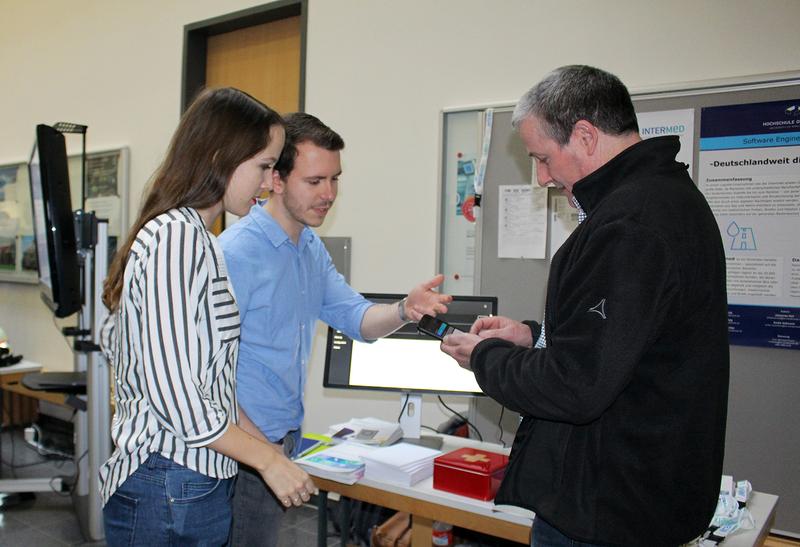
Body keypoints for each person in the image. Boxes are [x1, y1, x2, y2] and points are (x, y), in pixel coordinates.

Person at [441, 65, 729, 547]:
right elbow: (627, 343)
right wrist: (533, 336)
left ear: (585, 135)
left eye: (543, 158)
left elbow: (576, 386)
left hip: (608, 510)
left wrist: (484, 357)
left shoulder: (630, 225)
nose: (543, 179)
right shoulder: (667, 199)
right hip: (637, 499)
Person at [219, 112, 452, 546]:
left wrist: (405, 308)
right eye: (314, 181)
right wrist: (264, 454)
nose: (329, 194)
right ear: (276, 179)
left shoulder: (308, 247)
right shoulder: (235, 253)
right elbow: (208, 376)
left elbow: (356, 319)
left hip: (282, 436)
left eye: (335, 179)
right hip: (242, 446)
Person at [99, 87, 316, 546]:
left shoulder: (200, 238)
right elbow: (180, 399)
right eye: (262, 166)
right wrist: (267, 460)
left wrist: (266, 447)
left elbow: (208, 382)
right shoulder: (175, 237)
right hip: (167, 482)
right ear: (221, 156)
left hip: (193, 478)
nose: (267, 183)